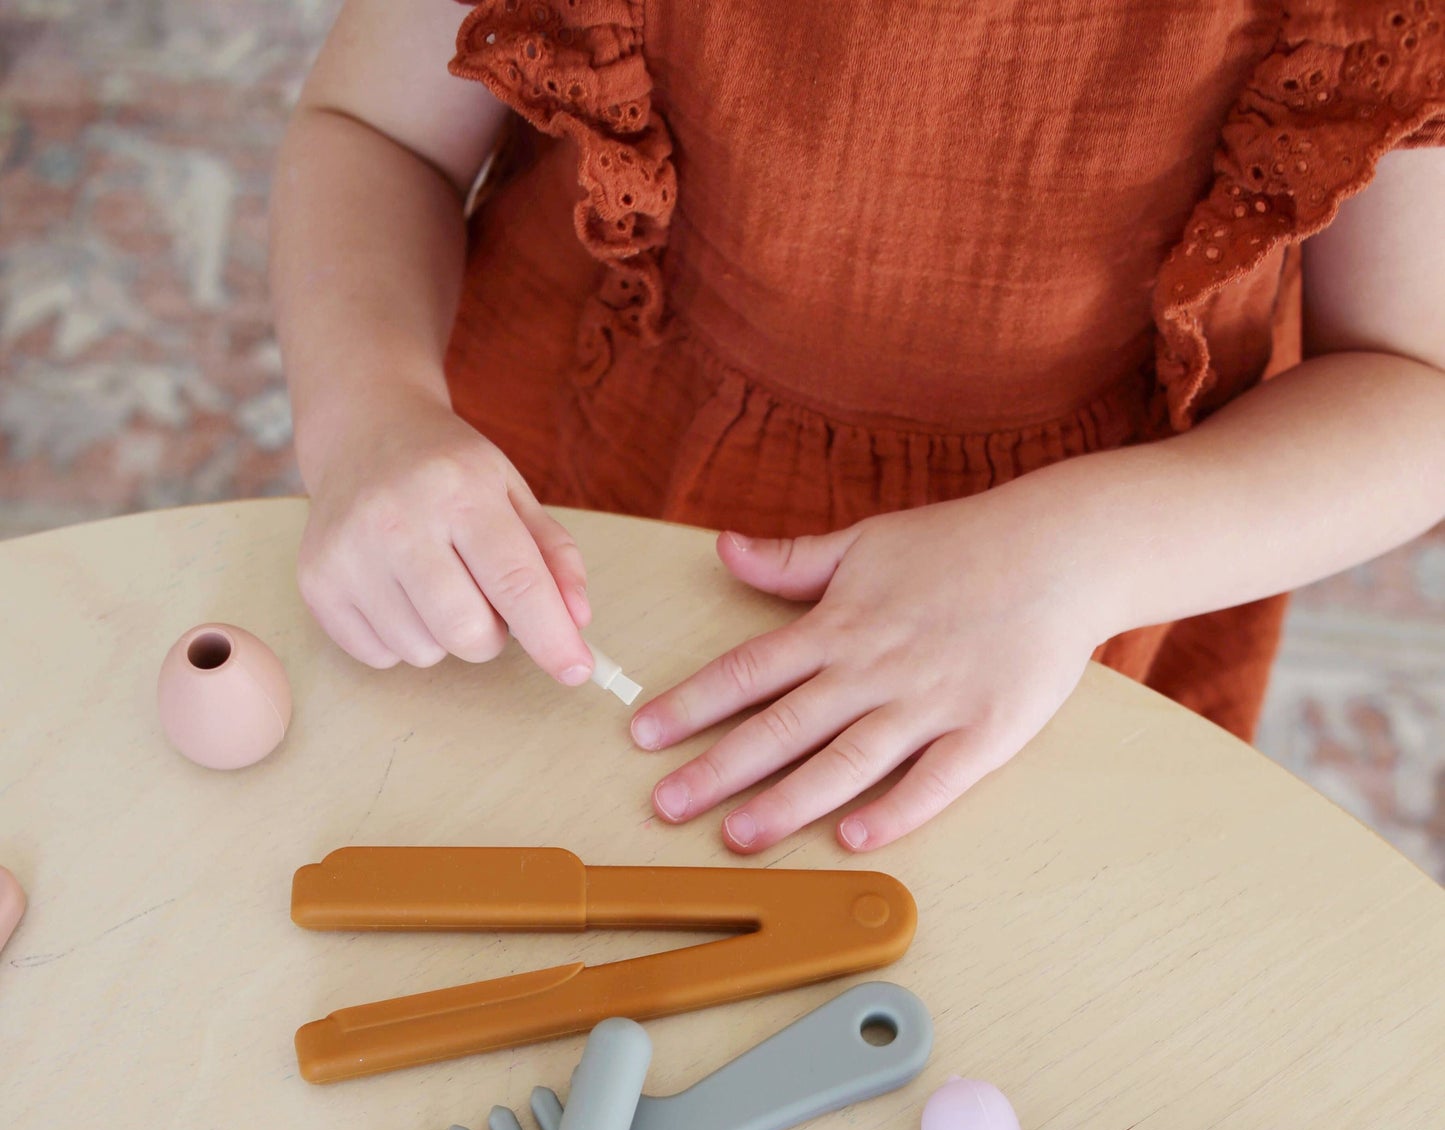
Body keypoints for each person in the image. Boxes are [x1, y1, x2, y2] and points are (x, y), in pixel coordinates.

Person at [270, 0, 1445, 852]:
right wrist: (373, 411)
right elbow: (378, 132)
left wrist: (1075, 561)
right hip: (584, 452)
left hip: (1070, 577)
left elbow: (1412, 382)